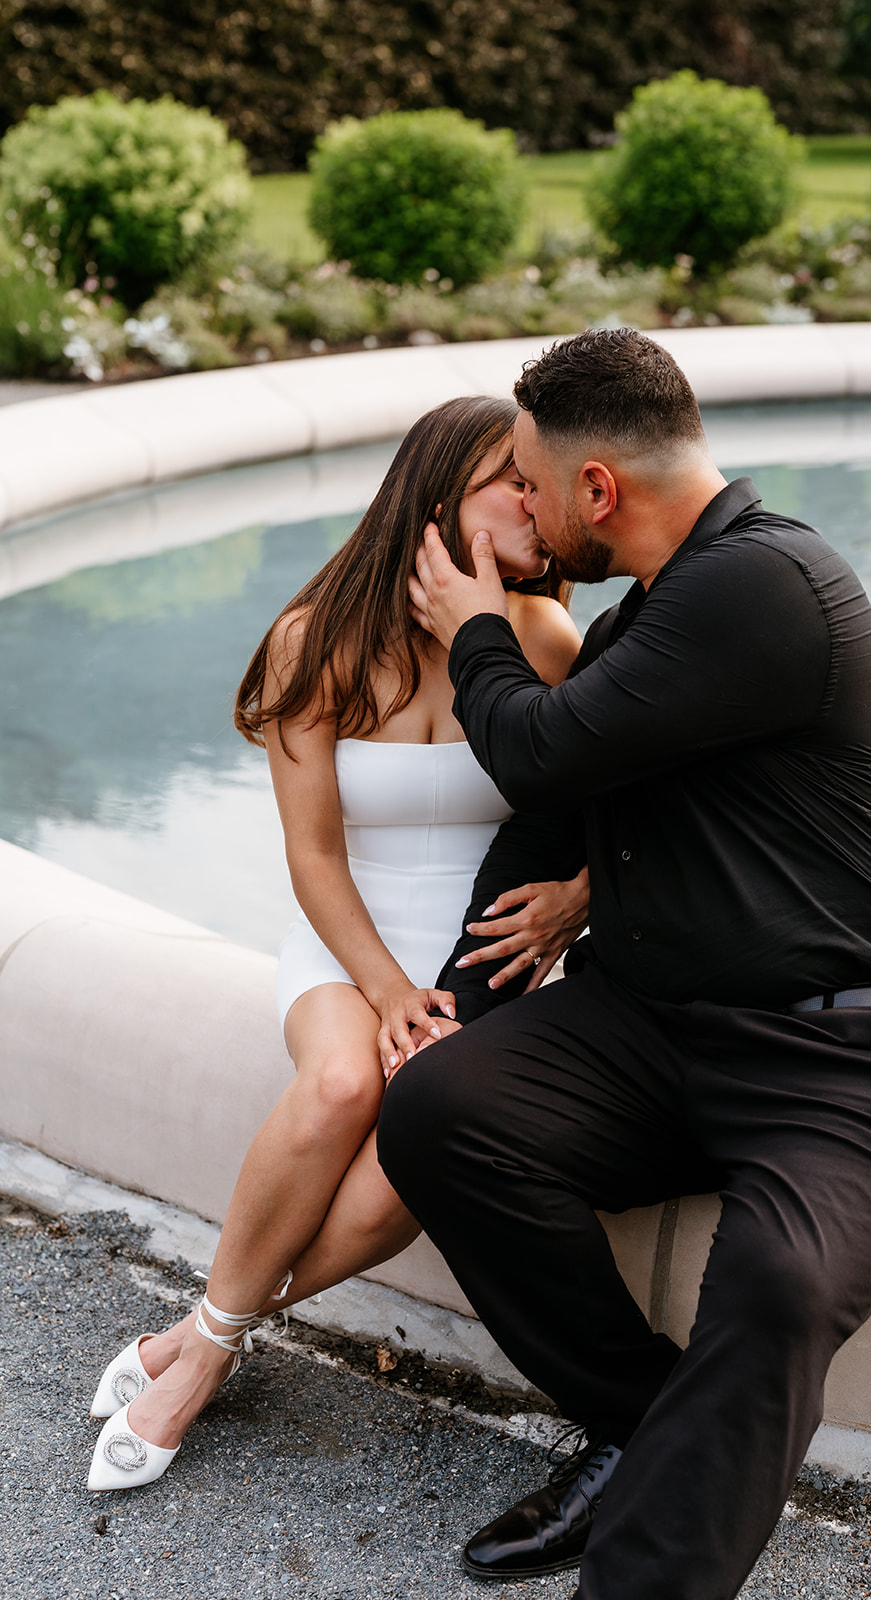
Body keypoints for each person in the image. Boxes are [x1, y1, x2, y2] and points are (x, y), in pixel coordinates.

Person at [379, 329, 871, 1600]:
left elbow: (540, 754)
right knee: (445, 1110)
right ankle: (645, 1423)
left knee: (772, 1283)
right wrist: (442, 1010)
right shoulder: (646, 633)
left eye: (531, 483)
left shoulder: (767, 581)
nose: (528, 515)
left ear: (597, 489)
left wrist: (476, 626)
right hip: (669, 1028)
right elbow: (541, 840)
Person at [86, 395, 586, 1492]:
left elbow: (617, 805)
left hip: (473, 966)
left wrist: (569, 902)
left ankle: (199, 1336)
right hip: (349, 942)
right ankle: (206, 1356)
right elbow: (313, 857)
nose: (538, 503)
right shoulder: (310, 643)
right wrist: (386, 988)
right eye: (516, 479)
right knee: (336, 1087)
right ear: (445, 493)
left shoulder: (543, 639)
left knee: (391, 1178)